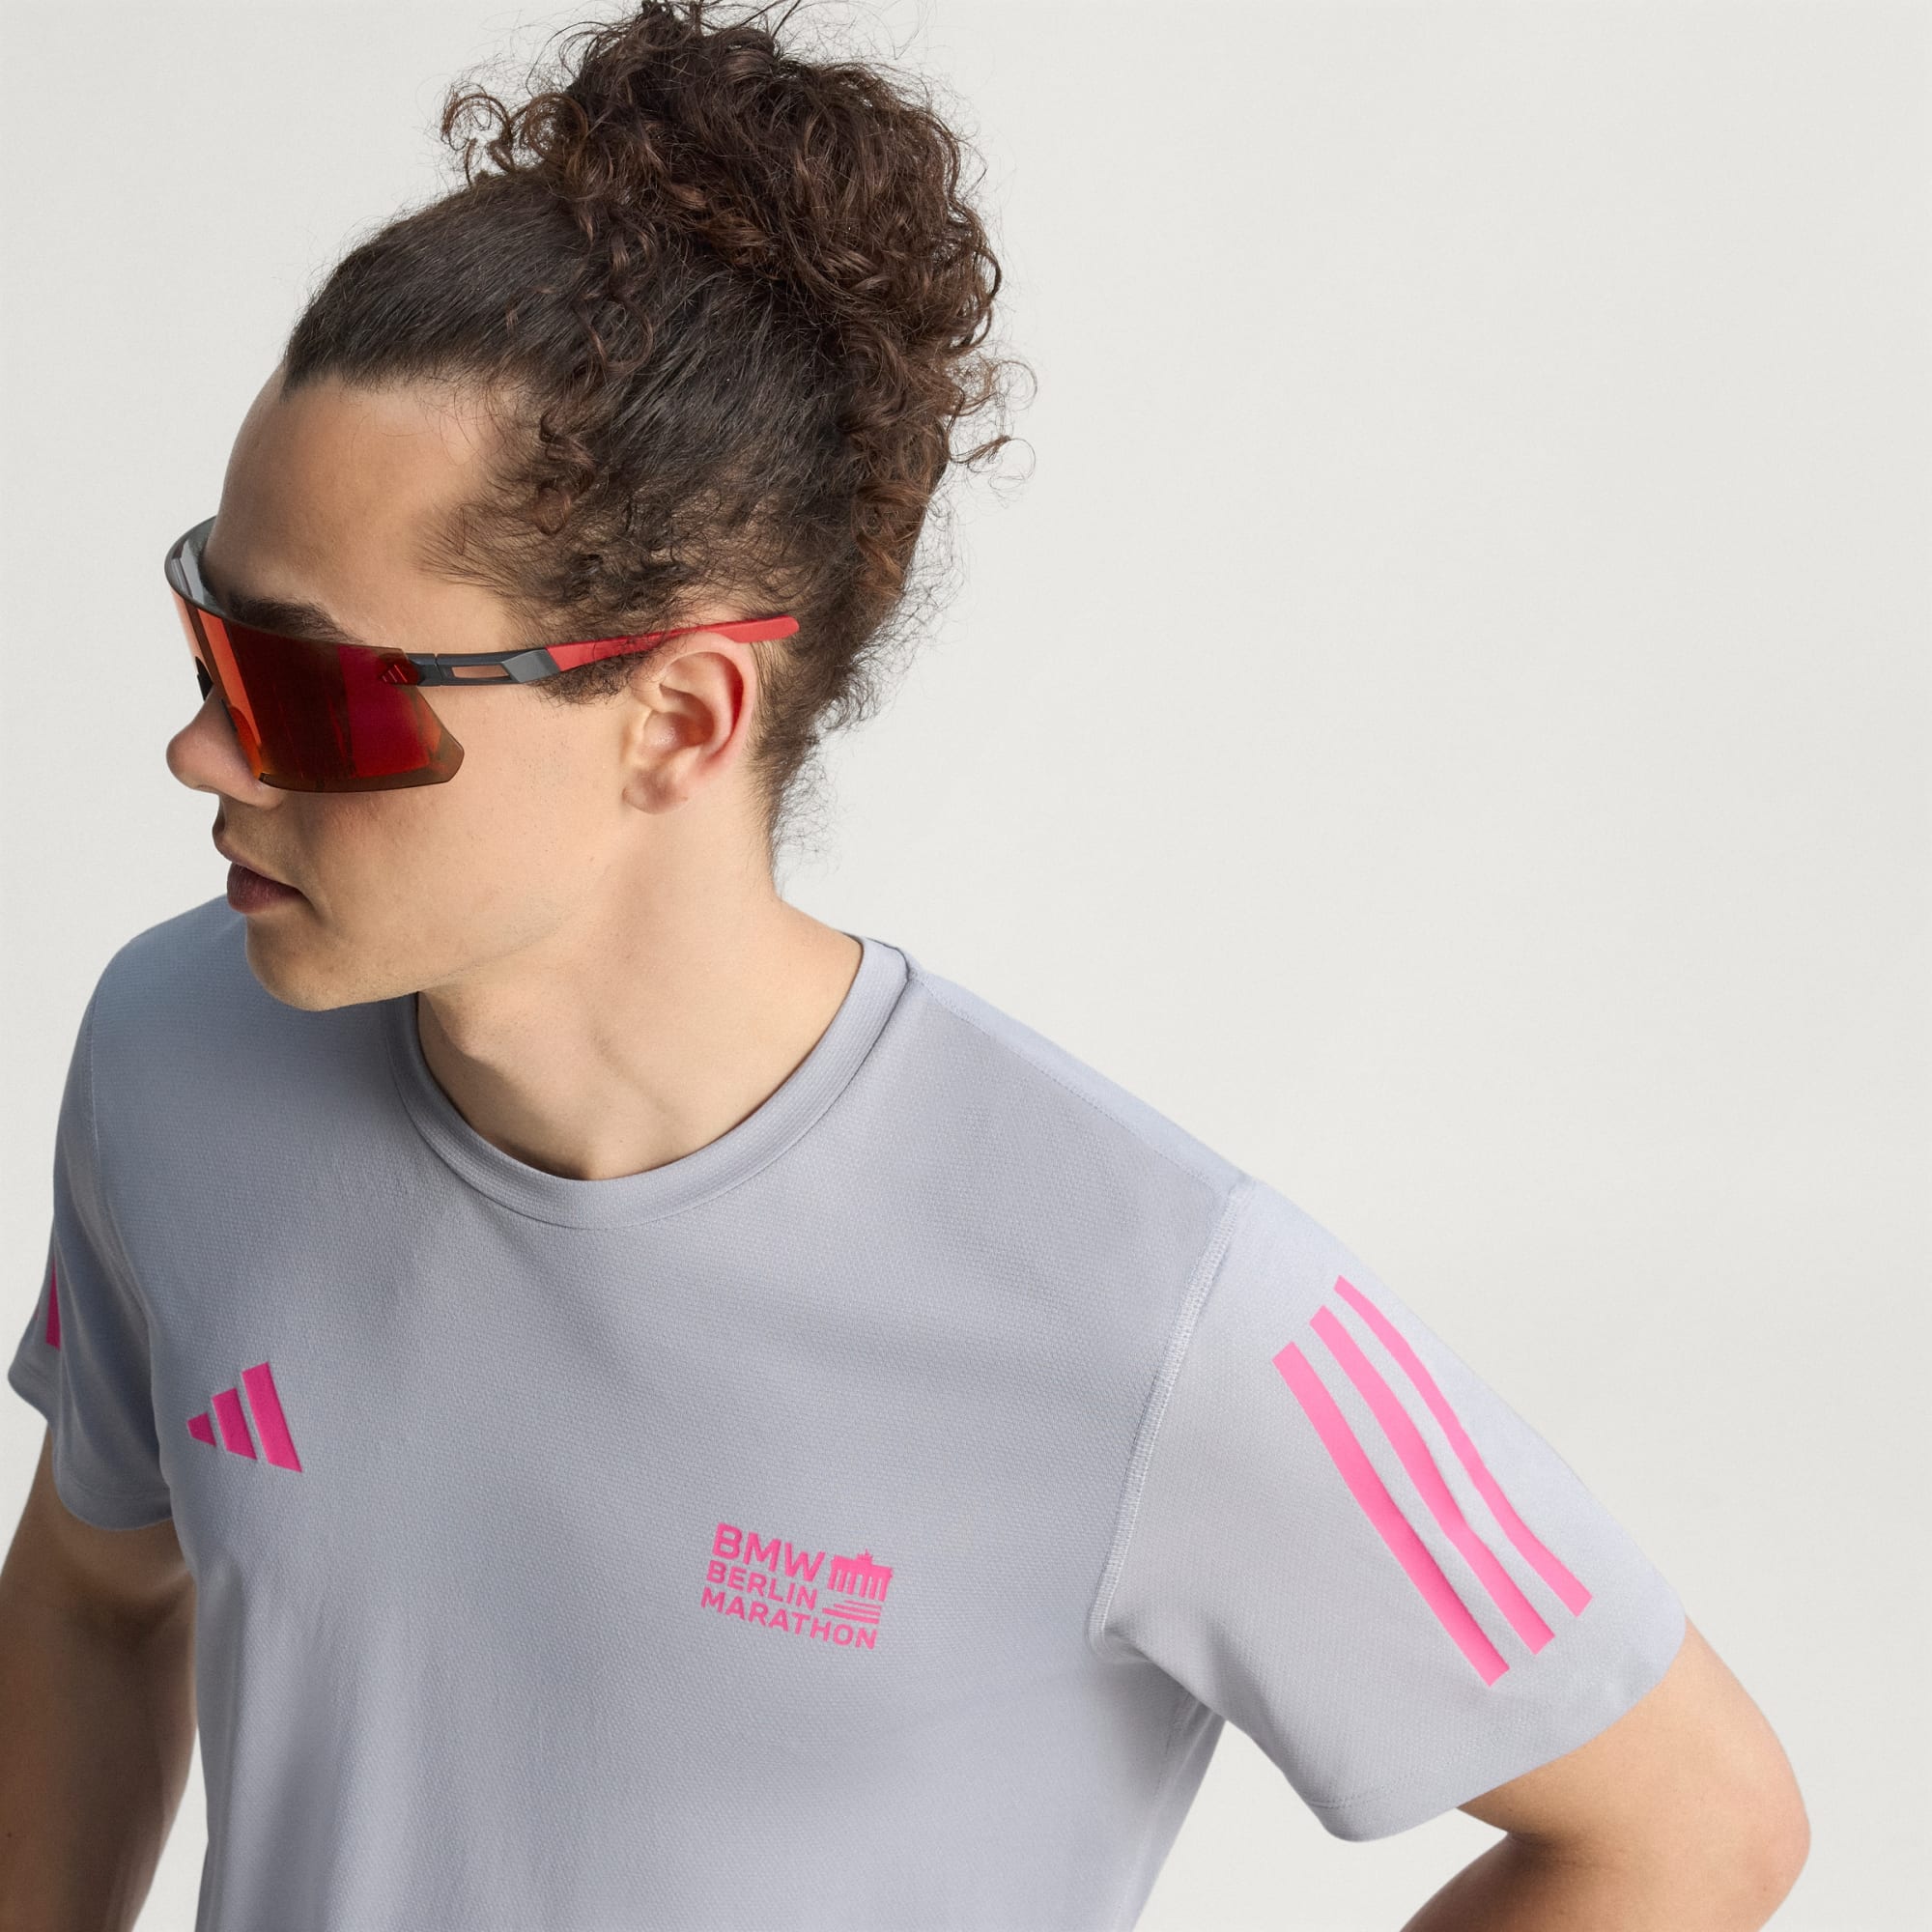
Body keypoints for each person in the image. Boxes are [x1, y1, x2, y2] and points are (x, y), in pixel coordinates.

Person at [0, 3, 1807, 1928]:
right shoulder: (173, 1057)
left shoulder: (1166, 1304)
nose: (202, 751)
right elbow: (98, 1599)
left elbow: (1693, 1823)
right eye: (209, 642)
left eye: (302, 689)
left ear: (681, 718)